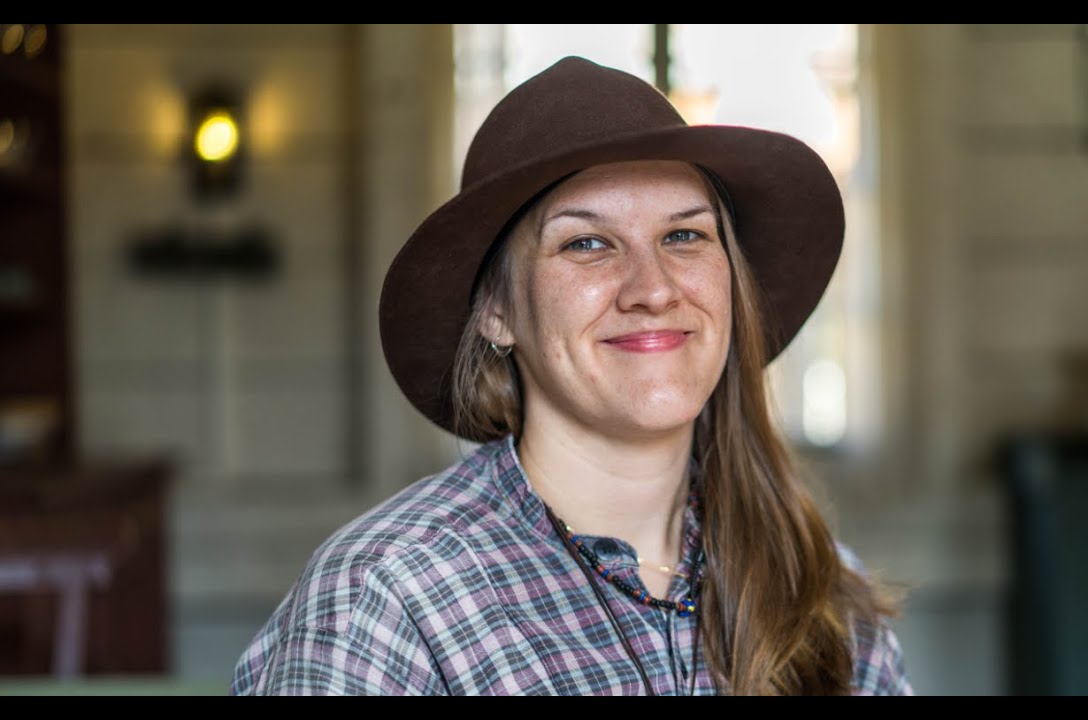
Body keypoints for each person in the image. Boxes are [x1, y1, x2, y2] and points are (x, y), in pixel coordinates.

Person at [230, 55, 913, 696]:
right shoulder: (389, 599)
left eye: (685, 236)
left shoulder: (823, 593)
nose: (653, 289)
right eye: (586, 243)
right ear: (495, 311)